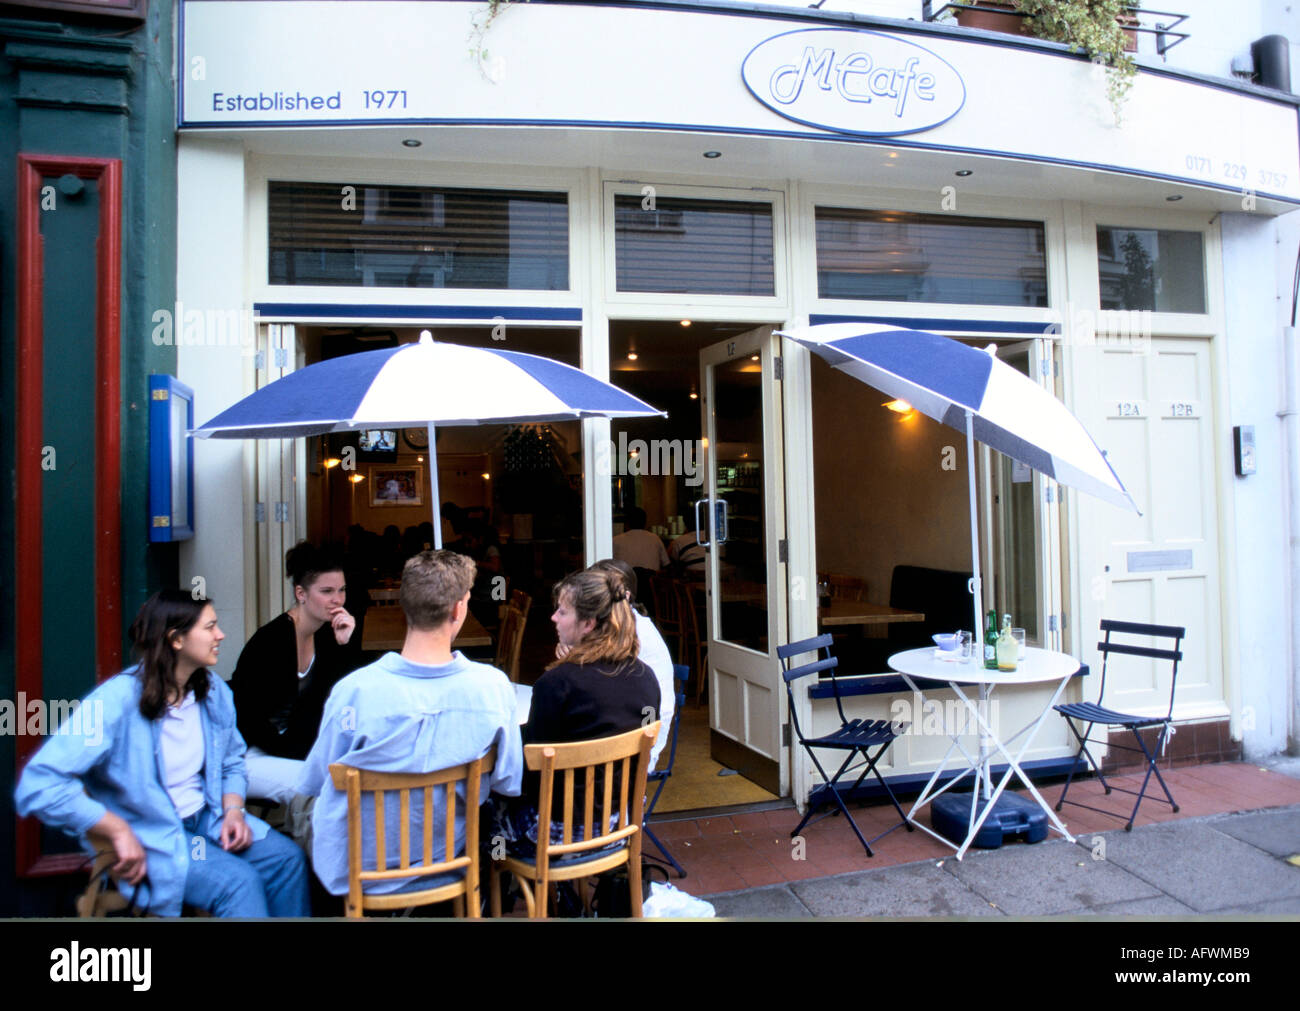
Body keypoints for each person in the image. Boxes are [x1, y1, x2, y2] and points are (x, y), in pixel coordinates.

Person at [15, 591, 309, 917]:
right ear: (176, 639)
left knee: (287, 861)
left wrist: (233, 810)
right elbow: (39, 783)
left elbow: (231, 762)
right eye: (210, 627)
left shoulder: (214, 694)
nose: (220, 635)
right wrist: (116, 828)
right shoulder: (117, 701)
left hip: (207, 820)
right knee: (239, 883)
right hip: (154, 834)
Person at [297, 550, 523, 900]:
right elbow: (508, 781)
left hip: (359, 869)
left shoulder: (354, 691)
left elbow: (315, 781)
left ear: (404, 606)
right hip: (450, 861)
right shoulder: (493, 688)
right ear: (458, 609)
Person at [494, 567, 659, 856]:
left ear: (588, 624)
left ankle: (519, 896)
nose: (553, 617)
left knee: (479, 814)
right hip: (622, 826)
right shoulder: (645, 677)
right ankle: (563, 896)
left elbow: (530, 773)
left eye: (562, 611)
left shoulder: (557, 684)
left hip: (557, 833)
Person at [231, 541, 364, 806]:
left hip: (297, 746)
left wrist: (345, 646)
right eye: (326, 591)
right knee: (333, 788)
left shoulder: (327, 635)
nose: (337, 599)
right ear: (301, 593)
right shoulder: (271, 641)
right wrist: (309, 754)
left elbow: (344, 697)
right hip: (253, 752)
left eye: (341, 590)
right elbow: (250, 720)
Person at [588, 558, 675, 770]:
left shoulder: (633, 632)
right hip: (631, 726)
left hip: (639, 741)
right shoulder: (622, 624)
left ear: (625, 597)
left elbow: (594, 680)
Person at [612, 506, 669, 572]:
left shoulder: (616, 540)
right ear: (645, 522)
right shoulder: (655, 539)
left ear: (627, 523)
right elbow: (666, 564)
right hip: (650, 581)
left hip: (626, 581)